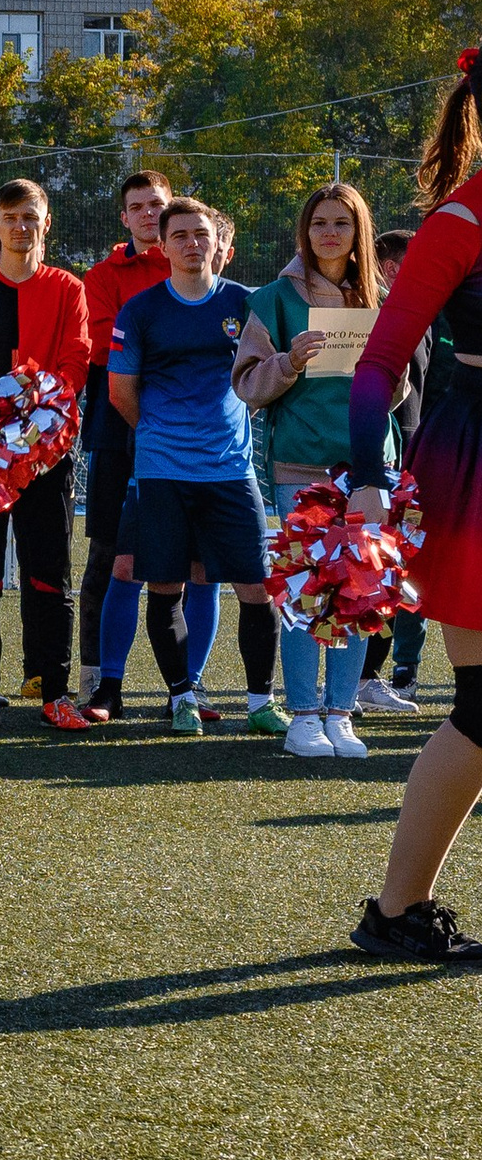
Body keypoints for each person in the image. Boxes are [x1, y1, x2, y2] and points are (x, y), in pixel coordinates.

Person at [345, 53, 482, 958]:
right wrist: (365, 476)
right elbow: (377, 364)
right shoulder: (462, 218)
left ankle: (397, 912)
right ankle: (396, 911)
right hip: (478, 465)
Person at [106, 197, 285, 740]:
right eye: (179, 234)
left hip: (232, 471)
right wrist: (167, 437)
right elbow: (121, 394)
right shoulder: (140, 311)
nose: (191, 243)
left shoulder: (248, 303)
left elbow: (269, 375)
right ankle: (181, 698)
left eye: (200, 233)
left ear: (218, 242)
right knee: (165, 587)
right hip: (162, 472)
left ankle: (260, 701)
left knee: (257, 586)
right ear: (162, 245)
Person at [234, 183, 392, 754]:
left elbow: (397, 392)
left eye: (342, 224)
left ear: (358, 233)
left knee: (358, 590)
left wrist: (386, 378)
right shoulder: (274, 298)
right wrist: (288, 362)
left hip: (367, 467)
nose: (330, 233)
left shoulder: (380, 295)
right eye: (320, 222)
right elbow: (248, 385)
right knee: (306, 593)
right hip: (298, 465)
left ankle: (340, 712)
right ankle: (303, 713)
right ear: (305, 231)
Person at [0, 179, 95, 730]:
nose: (20, 226)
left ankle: (54, 690)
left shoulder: (67, 289)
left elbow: (77, 361)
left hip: (46, 456)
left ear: (45, 222)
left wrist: (37, 414)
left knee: (49, 572)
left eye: (30, 216)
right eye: (10, 217)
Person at [78, 172, 174, 719]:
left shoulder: (192, 264)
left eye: (155, 205)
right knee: (107, 555)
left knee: (187, 560)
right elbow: (103, 349)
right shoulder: (102, 274)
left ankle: (184, 687)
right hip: (117, 426)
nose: (146, 215)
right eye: (136, 207)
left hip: (187, 428)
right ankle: (97, 677)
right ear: (124, 218)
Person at [361, 228, 432, 713]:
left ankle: (394, 670)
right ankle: (358, 678)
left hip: (429, 461)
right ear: (391, 269)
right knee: (369, 573)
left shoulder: (436, 316)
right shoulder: (377, 317)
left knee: (411, 572)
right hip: (383, 464)